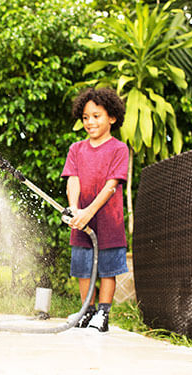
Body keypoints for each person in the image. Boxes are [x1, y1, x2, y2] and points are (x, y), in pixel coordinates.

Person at [61, 87, 128, 333]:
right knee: (83, 266)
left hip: (108, 220)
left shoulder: (119, 149)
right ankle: (86, 310)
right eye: (86, 117)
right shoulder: (76, 149)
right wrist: (75, 209)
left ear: (111, 118)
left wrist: (89, 211)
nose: (90, 122)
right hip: (81, 219)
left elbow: (112, 185)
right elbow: (72, 180)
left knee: (107, 268)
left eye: (96, 116)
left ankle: (102, 313)